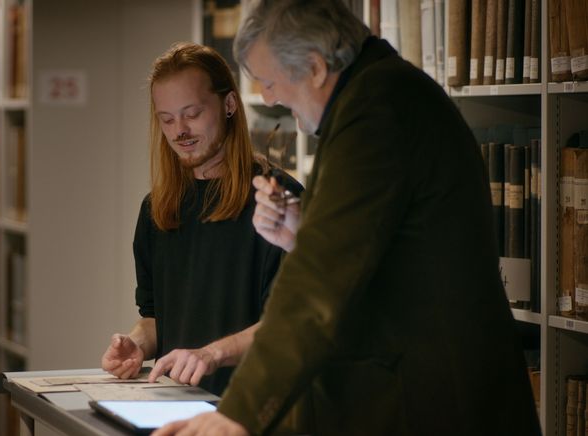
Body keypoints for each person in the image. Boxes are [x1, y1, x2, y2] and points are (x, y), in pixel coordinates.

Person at [155, 0, 542, 435]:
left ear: (316, 68)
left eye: (268, 81)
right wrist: (305, 234)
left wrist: (237, 414)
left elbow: (318, 284)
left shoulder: (375, 112)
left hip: (435, 400)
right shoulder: (383, 94)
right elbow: (393, 252)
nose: (268, 98)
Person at [100, 42, 302, 396]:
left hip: (251, 411)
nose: (179, 130)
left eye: (191, 114)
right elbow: (156, 316)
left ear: (228, 105)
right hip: (178, 406)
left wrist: (212, 354)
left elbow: (290, 325)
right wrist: (138, 344)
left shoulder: (279, 205)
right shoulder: (157, 211)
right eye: (167, 119)